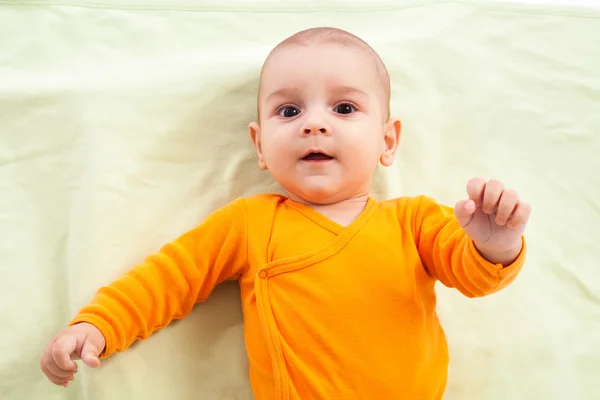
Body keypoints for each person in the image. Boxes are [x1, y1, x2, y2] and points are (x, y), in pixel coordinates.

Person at [40, 27, 531, 399]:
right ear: (259, 146)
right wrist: (97, 325)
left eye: (343, 109)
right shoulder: (251, 223)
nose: (314, 124)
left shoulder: (415, 221)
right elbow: (167, 279)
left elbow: (473, 276)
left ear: (387, 141)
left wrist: (495, 244)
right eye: (289, 112)